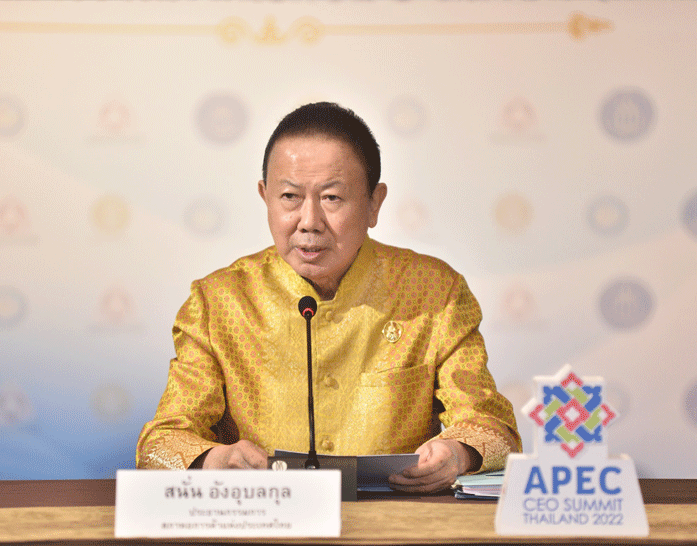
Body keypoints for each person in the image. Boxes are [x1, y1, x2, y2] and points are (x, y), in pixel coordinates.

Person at [137, 102, 521, 493]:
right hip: (267, 516)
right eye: (289, 196)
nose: (309, 222)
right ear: (265, 196)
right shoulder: (219, 302)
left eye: (332, 198)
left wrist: (459, 453)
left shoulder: (433, 292)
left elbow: (494, 428)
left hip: (396, 517)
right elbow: (160, 444)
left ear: (374, 203)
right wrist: (212, 460)